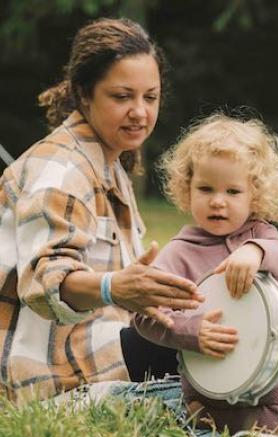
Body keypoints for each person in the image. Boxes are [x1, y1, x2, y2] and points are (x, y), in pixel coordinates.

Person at [0, 18, 204, 403]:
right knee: (219, 347)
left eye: (150, 97)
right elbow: (46, 281)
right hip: (53, 376)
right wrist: (114, 287)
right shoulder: (60, 169)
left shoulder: (110, 162)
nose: (140, 112)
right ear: (84, 93)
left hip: (107, 350)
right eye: (122, 96)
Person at [133, 113, 278, 433]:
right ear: (187, 189)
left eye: (233, 192)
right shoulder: (179, 253)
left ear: (255, 194)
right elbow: (144, 315)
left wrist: (256, 251)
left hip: (266, 361)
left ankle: (275, 401)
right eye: (206, 189)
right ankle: (209, 415)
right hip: (217, 377)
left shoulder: (259, 234)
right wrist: (190, 331)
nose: (218, 202)